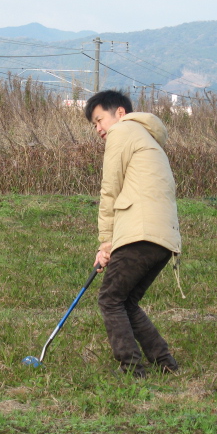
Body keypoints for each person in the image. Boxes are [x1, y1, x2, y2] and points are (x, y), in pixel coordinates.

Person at [85, 90, 181, 378]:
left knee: (110, 299)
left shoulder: (123, 132)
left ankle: (132, 369)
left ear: (120, 114)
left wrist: (106, 243)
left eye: (100, 119)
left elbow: (110, 189)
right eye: (94, 125)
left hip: (141, 233)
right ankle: (165, 364)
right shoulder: (146, 138)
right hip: (163, 239)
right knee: (125, 301)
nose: (98, 129)